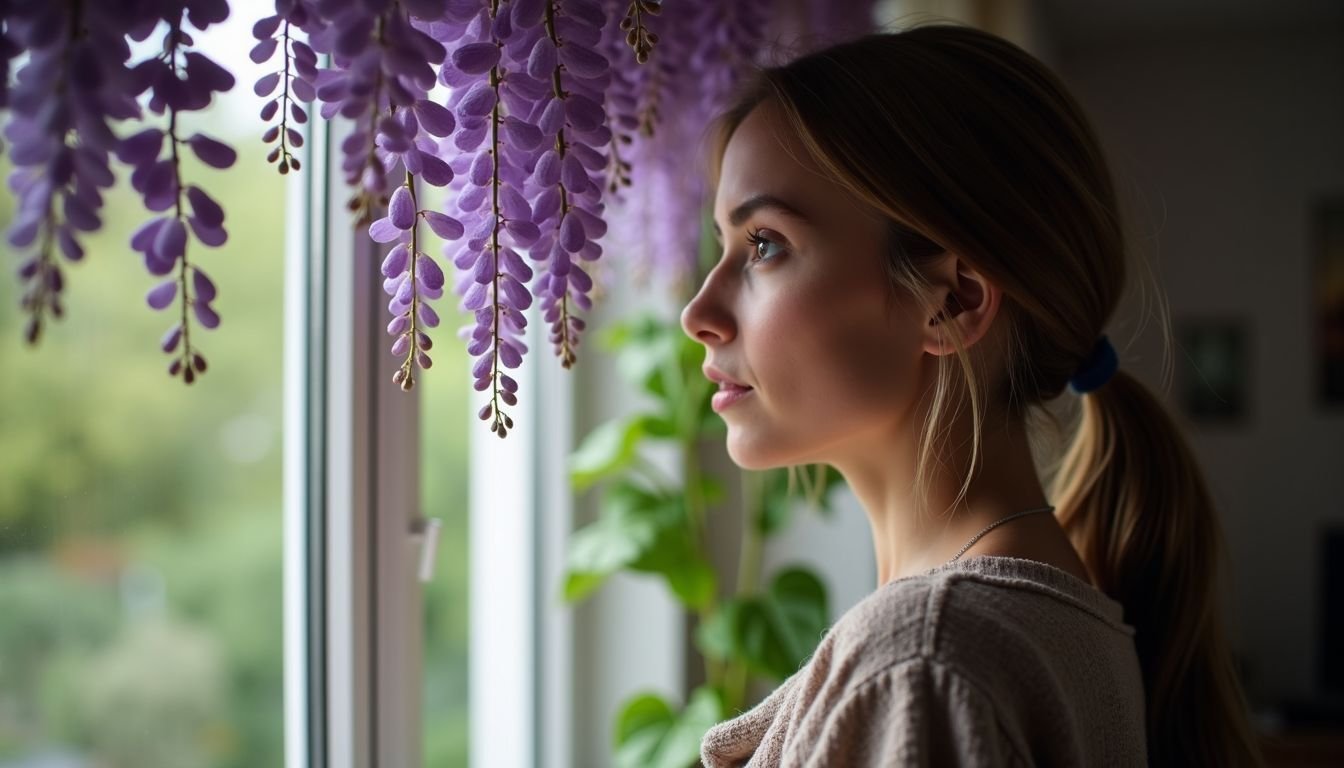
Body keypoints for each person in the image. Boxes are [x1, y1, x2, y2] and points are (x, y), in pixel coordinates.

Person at [680, 23, 1262, 767]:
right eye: (726, 246)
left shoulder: (922, 665)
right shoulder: (1033, 623)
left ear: (953, 301)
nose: (698, 315)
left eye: (764, 244)